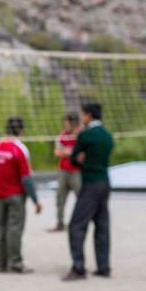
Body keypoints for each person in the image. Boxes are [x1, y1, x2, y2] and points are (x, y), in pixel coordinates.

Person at [63, 102, 114, 281]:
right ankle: (103, 267)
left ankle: (78, 268)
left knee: (76, 225)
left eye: (83, 115)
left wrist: (82, 160)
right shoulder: (107, 135)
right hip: (105, 182)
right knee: (102, 226)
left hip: (91, 183)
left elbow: (73, 159)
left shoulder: (86, 135)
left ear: (88, 115)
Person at [0, 117, 41, 274]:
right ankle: (16, 262)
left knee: (0, 228)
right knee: (14, 229)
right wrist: (35, 199)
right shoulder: (19, 149)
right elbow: (26, 177)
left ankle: (1, 263)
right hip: (15, 194)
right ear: (21, 131)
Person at [49, 112, 82, 232]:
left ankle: (81, 223)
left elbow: (82, 154)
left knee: (81, 198)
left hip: (77, 172)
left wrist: (67, 151)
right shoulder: (62, 135)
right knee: (60, 198)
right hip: (63, 171)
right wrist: (72, 151)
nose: (65, 124)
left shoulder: (81, 135)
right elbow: (57, 152)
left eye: (67, 122)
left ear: (73, 123)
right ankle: (60, 223)